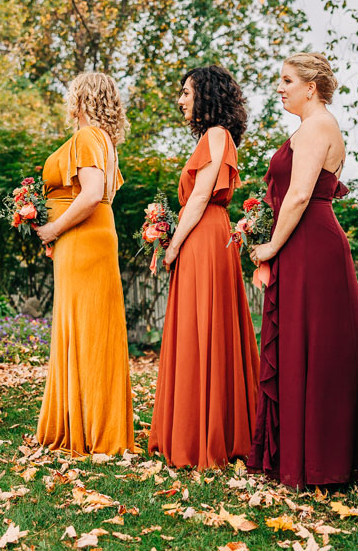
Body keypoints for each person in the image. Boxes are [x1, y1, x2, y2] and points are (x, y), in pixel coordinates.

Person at [247, 53, 358, 488]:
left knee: (321, 349)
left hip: (312, 243)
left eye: (286, 80)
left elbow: (300, 196)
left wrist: (268, 246)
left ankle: (324, 458)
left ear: (311, 86)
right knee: (308, 345)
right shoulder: (309, 127)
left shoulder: (319, 125)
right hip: (302, 241)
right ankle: (303, 454)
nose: (279, 88)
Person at [148, 65, 260, 469]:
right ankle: (202, 425)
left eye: (187, 92)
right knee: (201, 327)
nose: (181, 100)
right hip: (207, 234)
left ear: (207, 96)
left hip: (205, 235)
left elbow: (199, 197)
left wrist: (173, 245)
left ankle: (203, 434)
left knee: (202, 328)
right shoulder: (216, 138)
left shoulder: (217, 135)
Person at [34, 72, 135, 455]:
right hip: (92, 237)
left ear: (81, 99)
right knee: (91, 325)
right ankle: (92, 419)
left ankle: (88, 426)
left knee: (86, 327)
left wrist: (54, 228)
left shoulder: (88, 137)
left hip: (84, 239)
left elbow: (91, 194)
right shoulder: (104, 141)